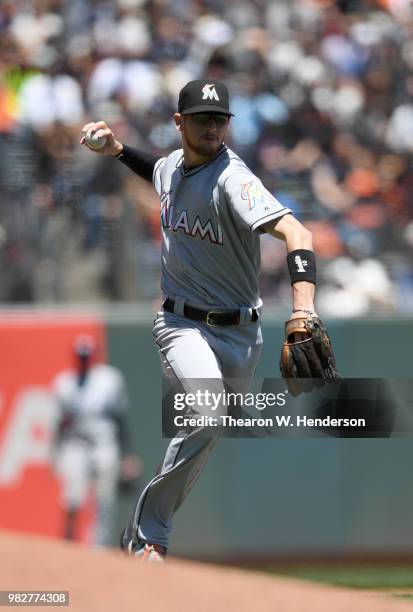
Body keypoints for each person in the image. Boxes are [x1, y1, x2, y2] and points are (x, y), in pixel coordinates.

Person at [80, 80, 317, 562]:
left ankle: (146, 534)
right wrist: (119, 150)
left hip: (241, 334)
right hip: (181, 322)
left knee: (207, 429)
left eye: (220, 119)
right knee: (206, 413)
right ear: (179, 122)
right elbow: (159, 171)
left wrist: (303, 308)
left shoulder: (233, 178)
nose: (212, 126)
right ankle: (147, 538)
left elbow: (296, 231)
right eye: (202, 117)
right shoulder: (173, 166)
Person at [52, 334, 142, 546]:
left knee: (104, 500)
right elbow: (60, 424)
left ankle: (97, 549)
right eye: (80, 356)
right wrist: (55, 452)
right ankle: (68, 542)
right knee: (72, 498)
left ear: (94, 356)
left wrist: (128, 455)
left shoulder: (109, 380)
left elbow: (121, 419)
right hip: (76, 444)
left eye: (87, 356)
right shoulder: (64, 383)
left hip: (105, 443)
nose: (84, 360)